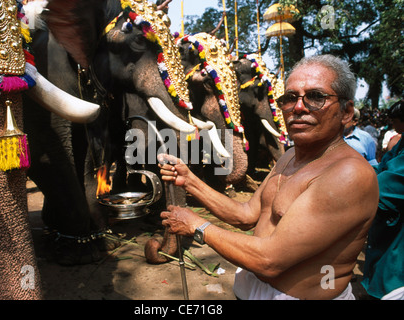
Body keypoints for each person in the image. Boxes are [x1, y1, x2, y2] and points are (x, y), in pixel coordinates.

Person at [158, 54, 379, 300]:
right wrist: (190, 181)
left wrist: (197, 226)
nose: (298, 107)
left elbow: (270, 260)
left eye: (316, 97)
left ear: (347, 112)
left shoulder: (348, 174)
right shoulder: (289, 157)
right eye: (289, 98)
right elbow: (246, 216)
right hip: (251, 288)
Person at [362, 99, 404, 300]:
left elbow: (388, 183)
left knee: (391, 274)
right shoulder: (400, 143)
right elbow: (382, 167)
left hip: (397, 226)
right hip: (385, 227)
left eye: (395, 121)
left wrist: (353, 180)